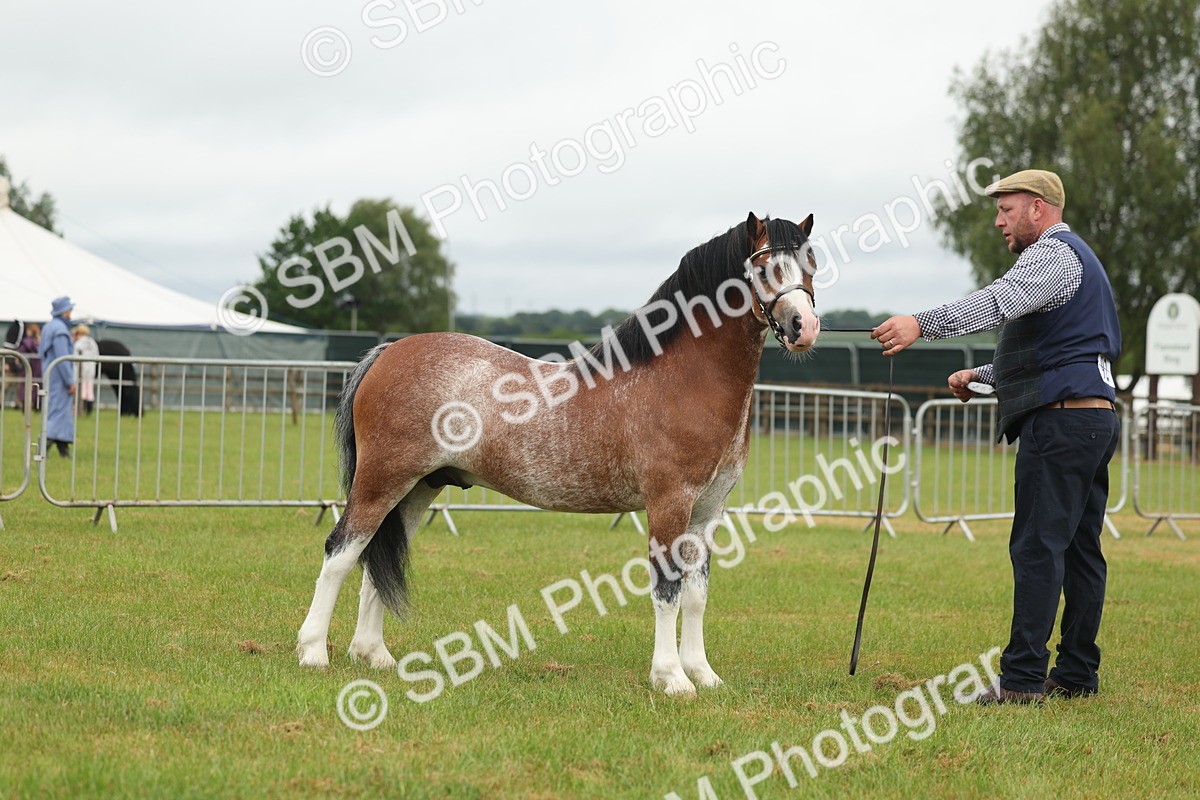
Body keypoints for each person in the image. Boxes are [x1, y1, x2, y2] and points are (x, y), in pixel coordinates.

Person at [871, 169, 1121, 705]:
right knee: (1081, 552)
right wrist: (983, 375)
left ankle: (1023, 680)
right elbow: (1058, 351)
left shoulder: (1053, 255)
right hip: (1094, 418)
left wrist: (921, 323)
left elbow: (997, 303)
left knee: (1037, 548)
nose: (998, 220)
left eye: (1006, 210)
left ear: (1038, 208)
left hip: (1059, 424)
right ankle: (1076, 674)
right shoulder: (1082, 261)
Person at [38, 296, 77, 458]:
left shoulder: (49, 327)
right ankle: (43, 446)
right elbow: (63, 358)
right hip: (59, 377)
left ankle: (63, 450)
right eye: (70, 310)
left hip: (51, 374)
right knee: (59, 411)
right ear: (65, 311)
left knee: (60, 411)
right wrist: (70, 380)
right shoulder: (60, 330)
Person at [72, 323, 100, 415]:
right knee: (90, 388)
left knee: (82, 388)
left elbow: (74, 356)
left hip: (81, 368)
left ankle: (81, 408)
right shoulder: (92, 342)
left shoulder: (78, 343)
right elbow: (96, 355)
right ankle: (89, 409)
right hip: (91, 368)